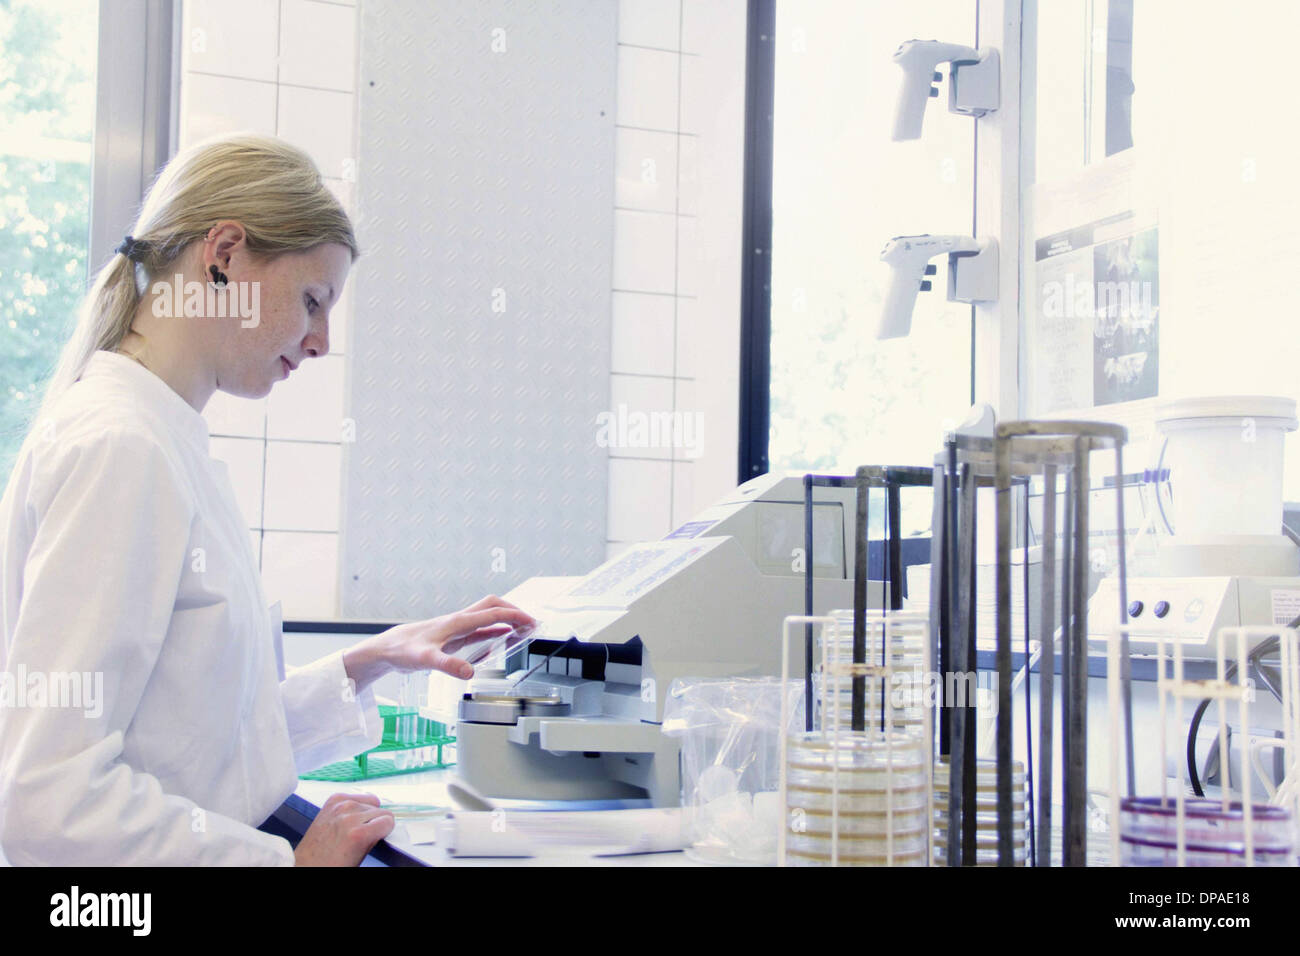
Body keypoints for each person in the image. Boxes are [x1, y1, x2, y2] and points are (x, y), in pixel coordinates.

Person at [0, 133, 535, 865]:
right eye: (312, 300)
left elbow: (191, 742)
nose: (320, 342)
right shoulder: (122, 448)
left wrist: (368, 663)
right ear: (222, 255)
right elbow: (47, 800)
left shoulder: (161, 438)